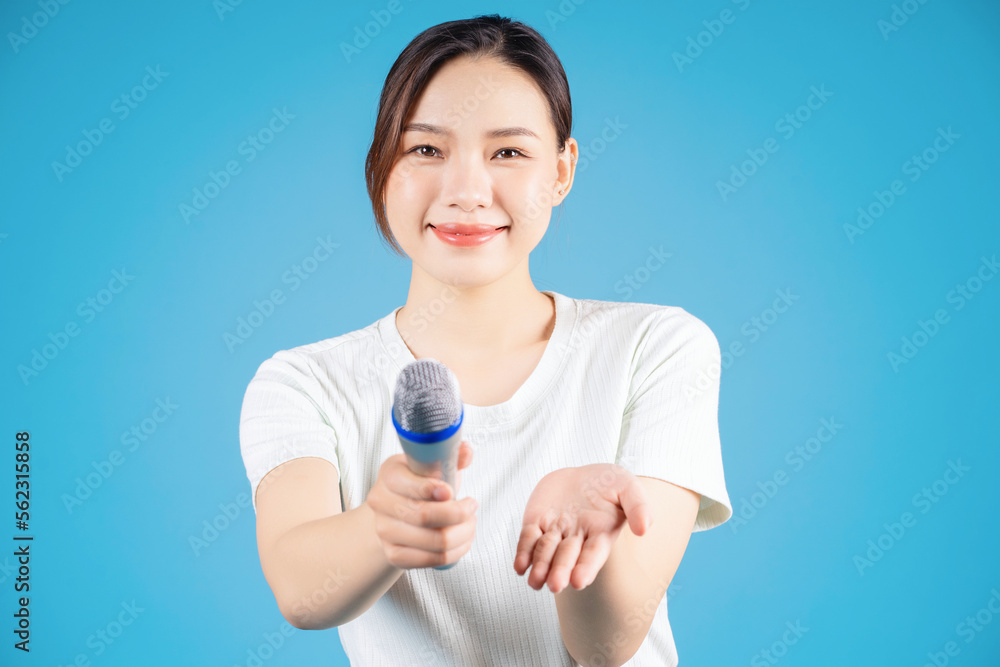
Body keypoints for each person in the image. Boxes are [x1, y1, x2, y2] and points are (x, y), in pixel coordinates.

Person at [239, 14, 732, 667]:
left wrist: (576, 539)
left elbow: (607, 642)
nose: (467, 191)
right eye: (425, 149)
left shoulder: (659, 346)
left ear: (562, 171)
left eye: (508, 152)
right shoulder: (304, 381)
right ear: (382, 167)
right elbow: (302, 590)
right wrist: (384, 525)